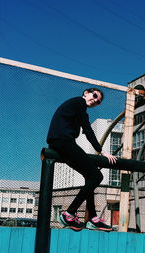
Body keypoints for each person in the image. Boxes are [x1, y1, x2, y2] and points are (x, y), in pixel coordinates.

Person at [47, 88, 117, 231]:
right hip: (63, 142)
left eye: (98, 102)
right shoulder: (79, 102)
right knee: (97, 176)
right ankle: (69, 213)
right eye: (95, 96)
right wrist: (102, 151)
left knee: (90, 176)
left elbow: (86, 129)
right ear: (86, 93)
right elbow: (88, 130)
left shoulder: (78, 108)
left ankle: (93, 218)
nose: (96, 100)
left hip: (60, 142)